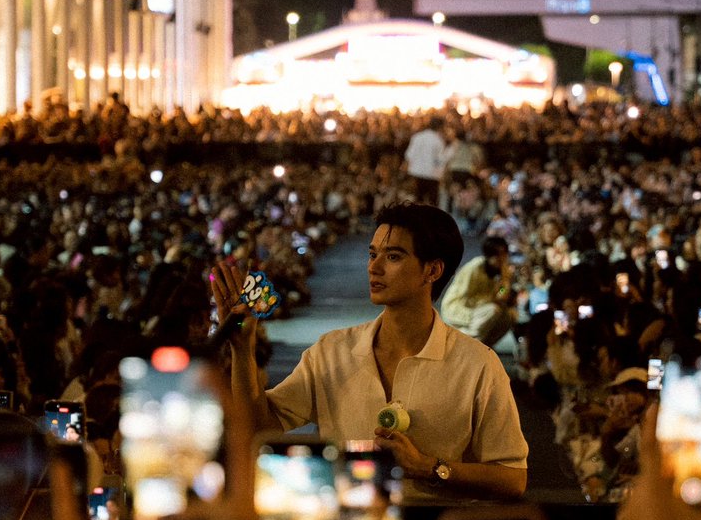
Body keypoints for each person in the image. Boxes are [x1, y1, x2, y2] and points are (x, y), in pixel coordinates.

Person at [211, 203, 528, 501]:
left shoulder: (478, 365)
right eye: (372, 254)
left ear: (432, 271)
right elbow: (258, 426)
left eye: (393, 257)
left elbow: (513, 478)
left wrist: (431, 468)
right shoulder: (331, 352)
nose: (374, 267)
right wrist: (242, 350)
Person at [438, 233, 516, 349]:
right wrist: (486, 302)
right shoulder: (475, 267)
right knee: (493, 310)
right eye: (499, 255)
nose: (502, 259)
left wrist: (506, 281)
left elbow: (501, 297)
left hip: (479, 312)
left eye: (504, 254)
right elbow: (464, 297)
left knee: (510, 315)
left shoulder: (498, 274)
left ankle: (484, 346)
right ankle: (465, 344)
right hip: (459, 309)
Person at [401, 117, 447, 205]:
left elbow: (409, 155)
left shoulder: (417, 136)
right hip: (432, 176)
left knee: (417, 201)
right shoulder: (438, 140)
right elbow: (440, 160)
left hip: (416, 173)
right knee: (431, 203)